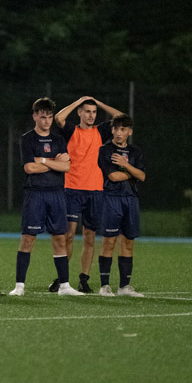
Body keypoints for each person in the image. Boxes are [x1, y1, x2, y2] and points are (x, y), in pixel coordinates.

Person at [9, 98, 84, 297]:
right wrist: (53, 162)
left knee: (60, 238)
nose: (47, 121)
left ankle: (65, 286)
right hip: (35, 194)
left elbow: (66, 166)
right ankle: (19, 286)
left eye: (50, 117)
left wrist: (42, 160)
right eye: (43, 117)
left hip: (57, 194)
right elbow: (29, 168)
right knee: (28, 239)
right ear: (35, 116)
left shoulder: (58, 140)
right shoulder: (27, 139)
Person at [55, 96, 124, 292]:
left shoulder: (100, 132)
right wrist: (79, 101)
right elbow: (59, 118)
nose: (91, 115)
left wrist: (98, 102)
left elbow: (120, 117)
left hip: (95, 191)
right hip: (72, 189)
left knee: (89, 237)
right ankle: (63, 279)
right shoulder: (72, 131)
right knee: (68, 235)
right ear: (80, 112)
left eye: (94, 112)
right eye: (87, 111)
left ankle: (83, 279)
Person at [97, 114, 146, 297]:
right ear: (112, 130)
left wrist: (125, 165)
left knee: (128, 242)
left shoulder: (136, 151)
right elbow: (113, 176)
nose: (119, 133)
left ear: (129, 132)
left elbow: (143, 176)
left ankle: (124, 287)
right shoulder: (105, 150)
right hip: (112, 198)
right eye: (116, 129)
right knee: (109, 242)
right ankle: (104, 286)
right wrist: (133, 171)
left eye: (123, 129)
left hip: (131, 199)